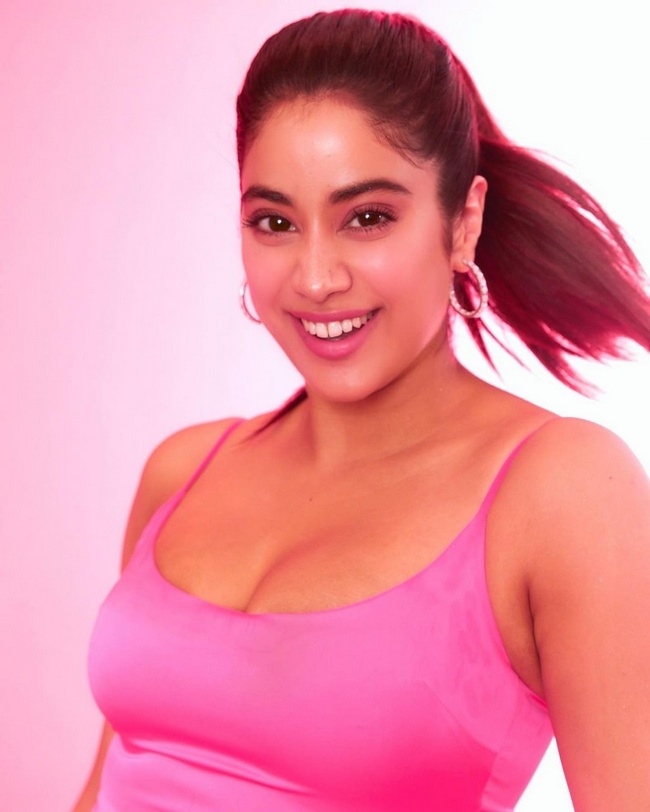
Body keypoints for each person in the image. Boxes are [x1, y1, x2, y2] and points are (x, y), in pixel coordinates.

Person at [74, 9, 650, 811]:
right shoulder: (183, 470)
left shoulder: (560, 491)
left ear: (463, 222)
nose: (316, 278)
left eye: (367, 218)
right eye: (275, 222)